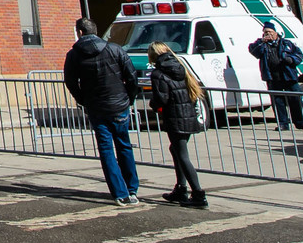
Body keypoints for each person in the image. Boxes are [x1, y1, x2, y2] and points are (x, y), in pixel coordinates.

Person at [63, 18, 142, 205]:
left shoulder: (74, 55)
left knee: (106, 149)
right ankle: (131, 189)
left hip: (97, 107)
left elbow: (71, 82)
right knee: (124, 146)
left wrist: (83, 100)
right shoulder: (115, 49)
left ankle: (120, 192)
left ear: (80, 32)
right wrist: (129, 99)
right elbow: (131, 77)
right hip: (118, 104)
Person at [146, 41, 207, 208]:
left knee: (182, 155)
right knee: (176, 150)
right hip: (187, 114)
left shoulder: (159, 73)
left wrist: (153, 104)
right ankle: (181, 188)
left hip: (174, 116)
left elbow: (162, 98)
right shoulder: (180, 66)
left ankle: (198, 194)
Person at [248, 21, 303, 129]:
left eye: (270, 32)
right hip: (273, 77)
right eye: (266, 32)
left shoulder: (286, 43)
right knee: (278, 102)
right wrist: (261, 41)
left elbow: (299, 54)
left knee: (295, 100)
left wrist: (291, 60)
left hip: (288, 76)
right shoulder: (262, 45)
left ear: (276, 33)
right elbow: (253, 51)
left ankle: (300, 123)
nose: (268, 34)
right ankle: (283, 124)